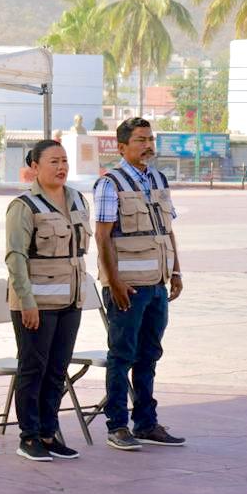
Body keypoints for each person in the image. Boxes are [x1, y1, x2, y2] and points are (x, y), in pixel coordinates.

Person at [93, 117, 185, 451]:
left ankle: (146, 423)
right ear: (122, 147)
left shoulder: (158, 179)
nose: (148, 146)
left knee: (149, 355)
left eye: (150, 139)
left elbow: (167, 231)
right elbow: (102, 236)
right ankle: (117, 426)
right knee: (122, 356)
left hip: (157, 284)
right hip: (127, 287)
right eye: (140, 140)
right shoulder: (110, 184)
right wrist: (114, 281)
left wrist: (176, 272)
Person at [5, 140, 90, 463]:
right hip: (36, 303)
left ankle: (48, 434)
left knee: (57, 369)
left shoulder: (78, 200)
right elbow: (15, 257)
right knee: (33, 368)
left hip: (70, 299)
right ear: (35, 167)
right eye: (53, 161)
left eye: (64, 160)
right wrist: (27, 301)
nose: (61, 167)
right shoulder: (24, 206)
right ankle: (28, 436)